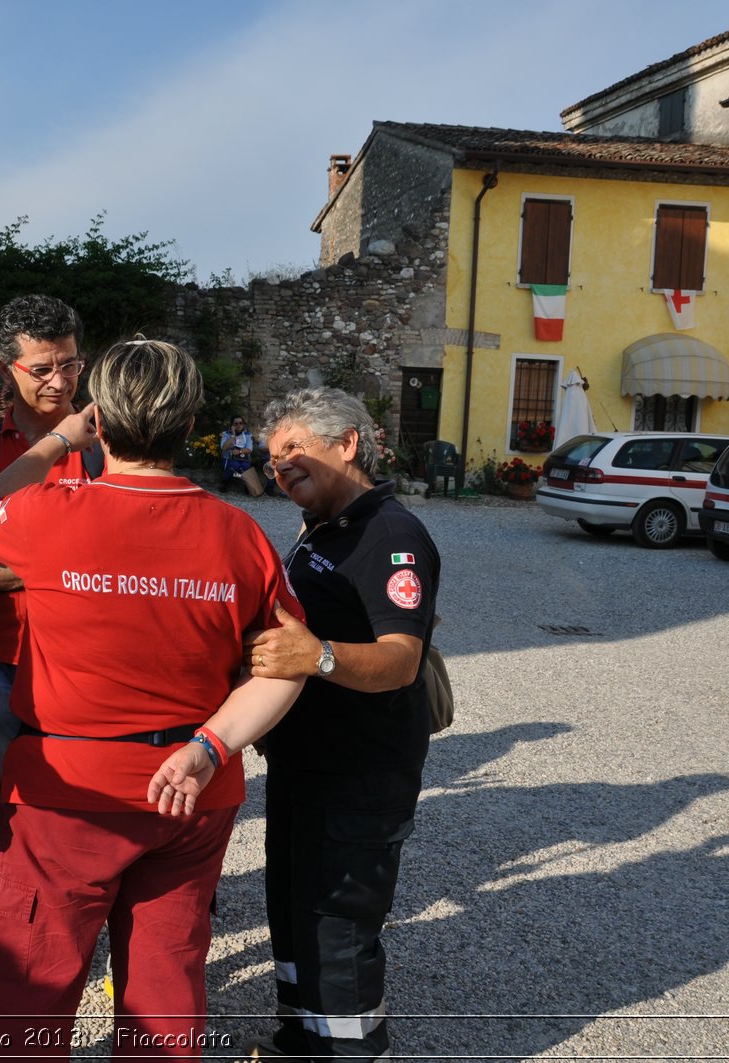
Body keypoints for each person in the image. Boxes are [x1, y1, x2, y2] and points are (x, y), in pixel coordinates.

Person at [0, 337, 306, 1059]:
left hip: (66, 795)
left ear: (104, 419)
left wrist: (63, 435)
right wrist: (208, 748)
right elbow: (287, 665)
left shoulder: (49, 513)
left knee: (36, 988)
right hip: (192, 790)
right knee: (166, 981)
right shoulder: (241, 535)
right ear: (191, 424)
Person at [243, 386, 441, 1060]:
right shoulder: (324, 527)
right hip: (304, 765)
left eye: (295, 449)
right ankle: (301, 1037)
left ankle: (352, 1051)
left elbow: (401, 659)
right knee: (294, 911)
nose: (282, 467)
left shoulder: (392, 535)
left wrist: (316, 654)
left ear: (348, 443)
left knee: (338, 929)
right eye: (273, 459)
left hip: (361, 774)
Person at [0, 294, 95, 853]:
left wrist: (20, 564)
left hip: (86, 656)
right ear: (7, 369)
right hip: (1, 652)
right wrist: (72, 567)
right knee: (8, 778)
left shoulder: (108, 450)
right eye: (43, 368)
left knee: (83, 785)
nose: (61, 380)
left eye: (71, 364)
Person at [219, 416, 253, 492]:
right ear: (232, 425)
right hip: (229, 457)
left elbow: (249, 449)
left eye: (241, 423)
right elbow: (224, 447)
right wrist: (233, 435)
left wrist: (239, 451)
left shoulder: (247, 435)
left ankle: (246, 485)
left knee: (245, 466)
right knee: (235, 466)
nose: (239, 425)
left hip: (243, 457)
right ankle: (225, 482)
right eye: (236, 423)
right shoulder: (226, 434)